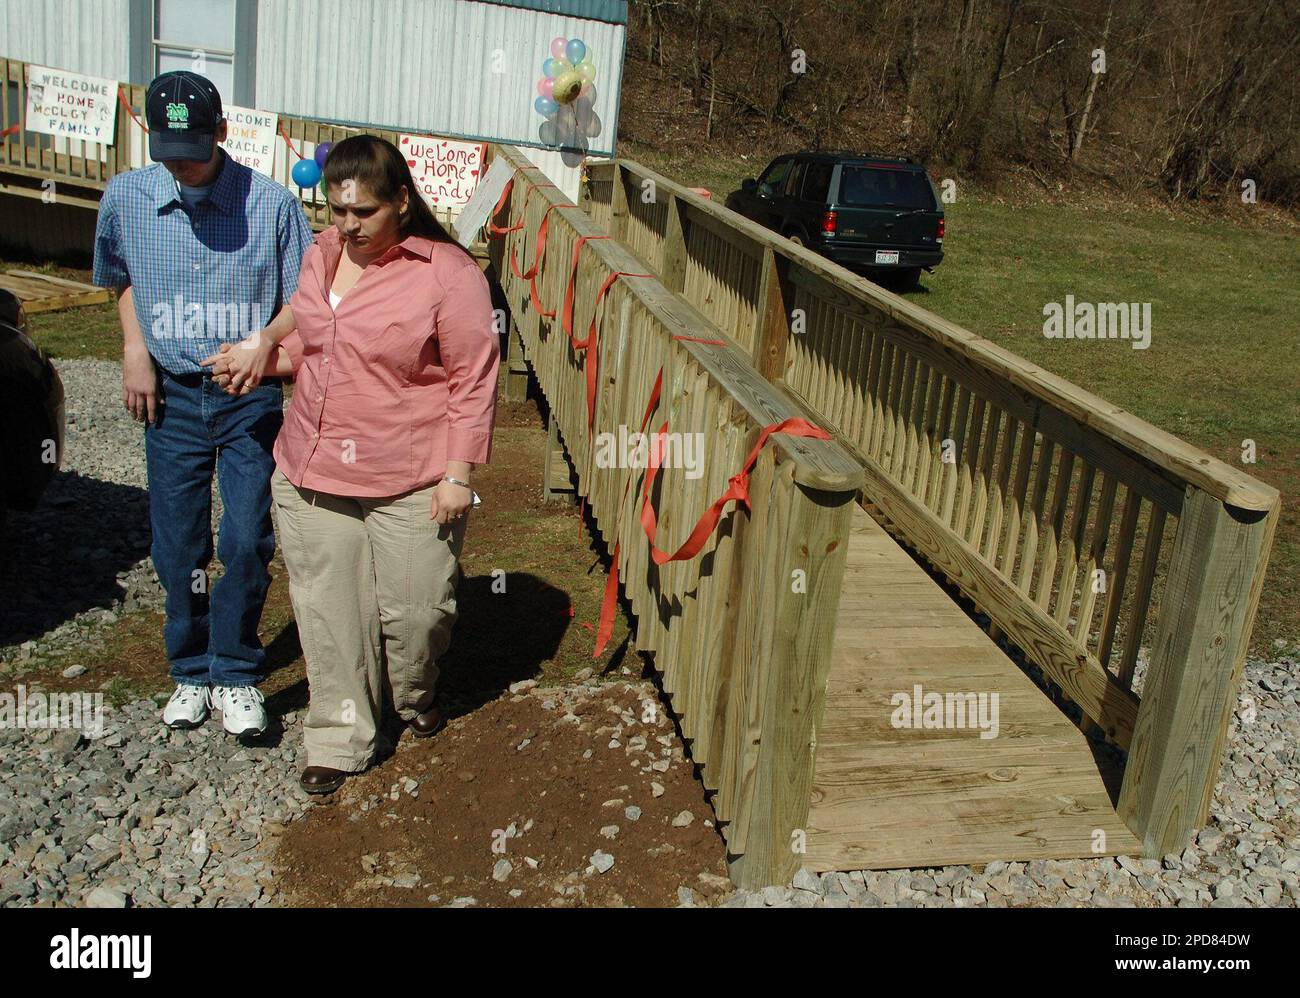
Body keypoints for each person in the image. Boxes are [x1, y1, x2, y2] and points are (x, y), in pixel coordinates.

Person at [203, 135, 499, 795]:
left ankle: (414, 696)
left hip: (411, 477)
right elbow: (312, 331)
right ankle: (341, 737)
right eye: (337, 210)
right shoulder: (322, 254)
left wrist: (458, 473)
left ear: (400, 200)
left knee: (420, 613)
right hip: (311, 472)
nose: (347, 225)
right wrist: (261, 350)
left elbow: (472, 378)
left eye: (363, 212)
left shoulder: (447, 273)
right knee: (330, 613)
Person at [92, 71, 313, 737]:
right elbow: (119, 274)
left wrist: (263, 347)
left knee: (246, 538)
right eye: (166, 146)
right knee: (178, 544)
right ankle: (190, 668)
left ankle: (237, 668)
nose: (179, 160)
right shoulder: (126, 197)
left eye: (192, 144)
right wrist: (136, 348)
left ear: (222, 132)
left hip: (248, 398)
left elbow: (304, 299)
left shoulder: (273, 207)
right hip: (172, 395)